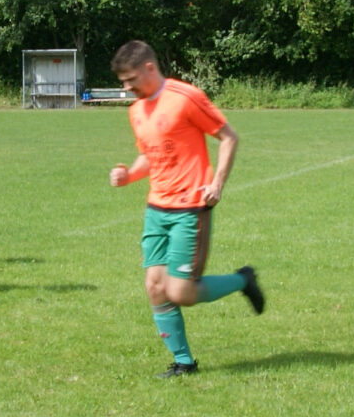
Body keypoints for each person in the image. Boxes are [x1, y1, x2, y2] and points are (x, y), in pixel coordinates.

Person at [109, 41, 264, 376]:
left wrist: (217, 183)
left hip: (190, 208)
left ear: (150, 67)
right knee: (155, 287)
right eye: (123, 82)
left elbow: (229, 137)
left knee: (180, 292)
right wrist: (128, 175)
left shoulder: (185, 97)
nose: (127, 88)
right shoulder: (136, 111)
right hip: (156, 209)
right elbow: (150, 155)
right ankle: (183, 363)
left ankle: (242, 280)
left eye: (131, 79)